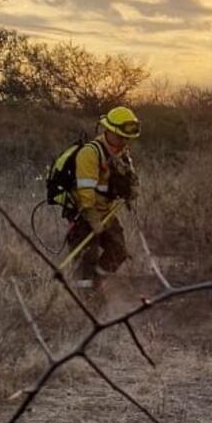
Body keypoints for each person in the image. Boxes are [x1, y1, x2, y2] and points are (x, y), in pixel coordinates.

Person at [66, 106, 141, 288]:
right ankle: (84, 301)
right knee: (86, 260)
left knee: (118, 251)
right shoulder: (90, 153)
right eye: (121, 137)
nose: (125, 141)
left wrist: (131, 190)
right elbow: (85, 191)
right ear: (109, 131)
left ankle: (97, 283)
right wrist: (93, 219)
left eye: (127, 138)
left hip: (106, 212)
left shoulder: (122, 153)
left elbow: (129, 178)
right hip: (84, 214)